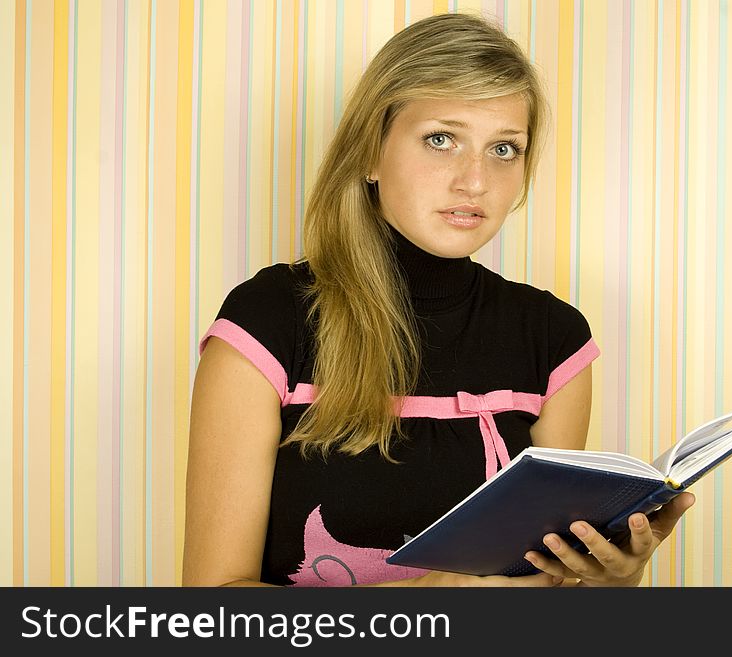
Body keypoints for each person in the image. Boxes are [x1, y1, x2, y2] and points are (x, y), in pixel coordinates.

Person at [182, 12, 694, 588]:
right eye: (441, 139)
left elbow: (541, 595)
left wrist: (609, 585)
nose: (475, 181)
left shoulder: (553, 339)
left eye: (504, 149)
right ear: (370, 154)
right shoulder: (267, 321)